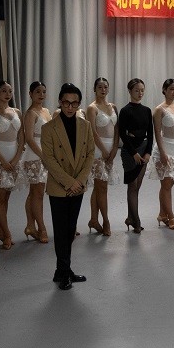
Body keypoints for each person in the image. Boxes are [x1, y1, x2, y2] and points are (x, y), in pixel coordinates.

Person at [41, 83, 95, 290]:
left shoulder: (85, 126)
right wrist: (70, 182)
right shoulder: (48, 128)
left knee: (70, 230)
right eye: (66, 103)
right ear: (60, 102)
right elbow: (49, 160)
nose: (70, 107)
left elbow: (90, 154)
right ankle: (64, 272)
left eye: (74, 103)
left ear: (79, 104)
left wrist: (79, 181)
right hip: (60, 187)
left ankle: (62, 270)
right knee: (61, 230)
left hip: (77, 186)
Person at [0, 80, 24, 250]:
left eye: (10, 91)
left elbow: (21, 136)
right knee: (0, 198)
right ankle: (7, 234)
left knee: (6, 198)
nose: (7, 94)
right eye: (3, 91)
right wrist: (2, 161)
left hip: (14, 159)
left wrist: (16, 159)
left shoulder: (17, 112)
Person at [118, 78, 153, 233]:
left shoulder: (147, 110)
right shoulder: (125, 110)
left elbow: (150, 134)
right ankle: (136, 221)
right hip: (130, 151)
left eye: (142, 90)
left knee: (137, 187)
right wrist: (134, 154)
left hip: (143, 150)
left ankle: (130, 217)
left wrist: (148, 152)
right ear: (130, 91)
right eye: (136, 90)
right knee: (132, 186)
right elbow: (122, 134)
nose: (140, 93)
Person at [86, 77, 120, 236]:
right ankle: (106, 221)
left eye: (105, 87)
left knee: (99, 186)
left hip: (110, 149)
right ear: (95, 89)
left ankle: (93, 219)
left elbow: (117, 128)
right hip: (98, 151)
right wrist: (104, 150)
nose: (103, 90)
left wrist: (115, 148)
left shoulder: (113, 106)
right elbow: (92, 131)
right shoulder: (92, 108)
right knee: (102, 187)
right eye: (100, 87)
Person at [150, 78, 174, 229]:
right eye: (171, 89)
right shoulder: (159, 109)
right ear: (164, 90)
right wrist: (163, 153)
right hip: (163, 149)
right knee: (166, 184)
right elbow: (157, 133)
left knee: (169, 185)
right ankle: (171, 217)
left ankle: (162, 214)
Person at [21, 81, 52, 243]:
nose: (41, 95)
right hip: (34, 156)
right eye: (38, 92)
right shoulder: (31, 113)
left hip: (45, 153)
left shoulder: (46, 111)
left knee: (34, 193)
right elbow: (29, 139)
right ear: (31, 94)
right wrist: (43, 156)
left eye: (44, 91)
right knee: (37, 193)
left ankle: (30, 225)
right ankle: (42, 227)